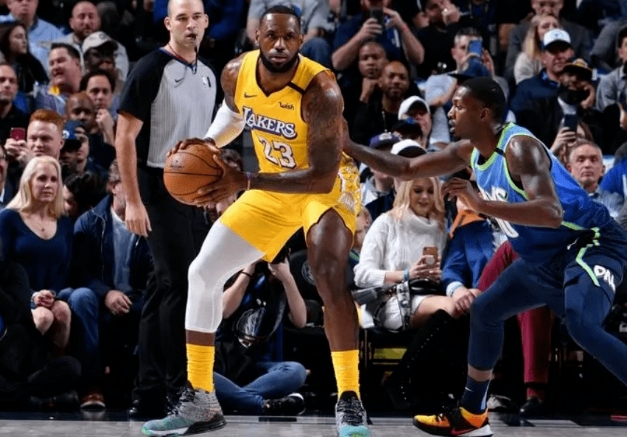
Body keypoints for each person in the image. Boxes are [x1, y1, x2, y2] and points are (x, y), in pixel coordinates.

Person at [343, 76, 627, 437]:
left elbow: (551, 212)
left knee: (581, 325)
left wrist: (479, 203)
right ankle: (472, 414)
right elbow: (407, 169)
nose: (450, 111)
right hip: (545, 257)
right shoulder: (468, 152)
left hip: (589, 242)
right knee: (485, 310)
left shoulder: (520, 148)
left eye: (458, 105)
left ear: (483, 113)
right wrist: (348, 145)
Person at [142, 5, 370, 437]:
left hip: (324, 187)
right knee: (202, 272)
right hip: (271, 185)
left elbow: (321, 176)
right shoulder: (236, 73)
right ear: (257, 38)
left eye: (289, 38)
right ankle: (201, 400)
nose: (280, 45)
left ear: (301, 41)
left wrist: (244, 179)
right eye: (271, 37)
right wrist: (207, 143)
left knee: (328, 276)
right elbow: (234, 114)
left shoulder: (322, 90)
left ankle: (349, 397)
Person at [115, 0, 218, 420]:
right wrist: (133, 200)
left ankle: (148, 392)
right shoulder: (150, 68)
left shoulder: (209, 74)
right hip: (157, 186)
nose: (190, 25)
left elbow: (209, 140)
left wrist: (213, 188)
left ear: (206, 22)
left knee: (163, 289)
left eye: (196, 18)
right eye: (182, 18)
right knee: (179, 284)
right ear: (168, 24)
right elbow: (124, 137)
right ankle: (180, 388)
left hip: (193, 191)